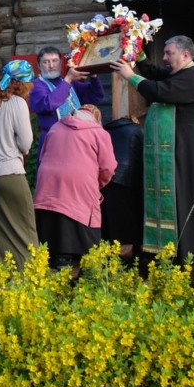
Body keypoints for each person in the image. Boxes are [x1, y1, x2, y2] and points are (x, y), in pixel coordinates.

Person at [112, 35, 194, 275]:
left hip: (182, 150)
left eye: (169, 53)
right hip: (172, 149)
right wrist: (138, 50)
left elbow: (159, 91)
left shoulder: (193, 77)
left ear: (186, 55)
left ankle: (185, 261)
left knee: (182, 200)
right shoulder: (179, 74)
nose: (165, 57)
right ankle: (163, 257)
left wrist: (129, 75)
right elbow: (155, 73)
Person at [34, 105, 117, 272]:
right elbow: (108, 167)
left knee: (53, 217)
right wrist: (99, 184)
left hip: (48, 182)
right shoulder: (99, 132)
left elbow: (43, 156)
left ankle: (58, 259)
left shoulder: (56, 127)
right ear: (96, 119)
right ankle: (82, 265)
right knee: (80, 215)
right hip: (78, 181)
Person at [0, 59, 39, 269]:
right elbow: (26, 142)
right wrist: (20, 150)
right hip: (9, 174)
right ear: (22, 83)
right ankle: (29, 272)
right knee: (24, 228)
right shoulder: (18, 103)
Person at [29, 45, 105, 160]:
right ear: (39, 66)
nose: (51, 65)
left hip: (77, 140)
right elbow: (49, 104)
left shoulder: (69, 83)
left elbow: (95, 97)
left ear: (61, 63)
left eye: (55, 61)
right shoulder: (36, 85)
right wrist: (68, 79)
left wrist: (93, 76)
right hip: (54, 142)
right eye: (46, 62)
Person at [101, 115, 145, 260]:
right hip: (128, 177)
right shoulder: (138, 130)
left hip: (107, 176)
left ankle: (110, 254)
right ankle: (133, 253)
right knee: (131, 218)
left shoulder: (107, 129)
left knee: (110, 219)